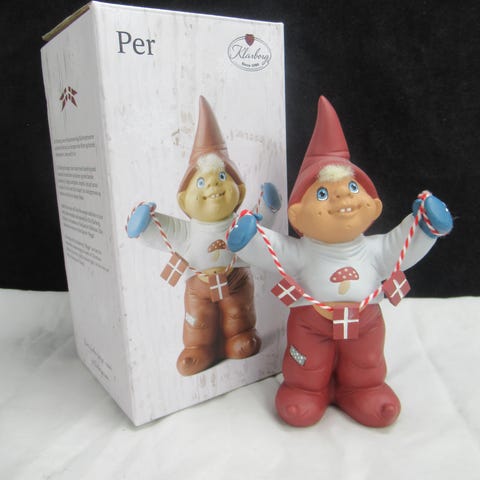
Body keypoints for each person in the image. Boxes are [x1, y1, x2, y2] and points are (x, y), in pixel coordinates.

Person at [227, 96, 453, 427]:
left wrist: (425, 227)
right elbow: (274, 249)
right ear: (297, 215)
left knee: (366, 362)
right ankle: (305, 391)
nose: (342, 197)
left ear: (374, 206)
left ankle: (363, 389)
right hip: (311, 324)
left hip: (365, 323)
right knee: (307, 363)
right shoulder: (302, 252)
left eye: (351, 187)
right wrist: (249, 238)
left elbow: (400, 247)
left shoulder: (375, 249)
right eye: (322, 193)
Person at [127, 96, 281, 376]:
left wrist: (268, 207)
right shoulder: (186, 230)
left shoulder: (240, 224)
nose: (212, 185)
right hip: (199, 286)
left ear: (239, 190)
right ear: (183, 200)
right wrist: (143, 225)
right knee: (198, 319)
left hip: (235, 279)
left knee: (238, 311)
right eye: (201, 181)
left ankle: (240, 335)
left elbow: (258, 229)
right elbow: (161, 233)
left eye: (221, 177)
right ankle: (198, 348)